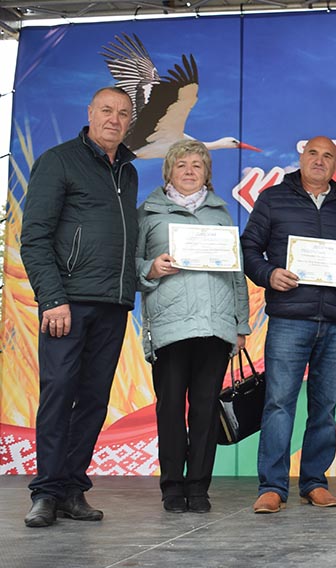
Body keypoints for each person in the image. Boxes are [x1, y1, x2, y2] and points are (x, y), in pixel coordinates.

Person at [20, 87, 139, 528]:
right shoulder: (58, 161)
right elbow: (34, 237)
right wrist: (53, 299)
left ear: (130, 121)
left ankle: (72, 489)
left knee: (93, 400)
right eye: (106, 110)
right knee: (58, 394)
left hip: (113, 304)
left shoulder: (128, 171)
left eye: (123, 113)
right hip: (66, 304)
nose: (114, 119)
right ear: (90, 113)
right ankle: (46, 492)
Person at [241, 136, 336, 513]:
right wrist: (269, 274)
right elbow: (248, 249)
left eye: (328, 156)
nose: (319, 160)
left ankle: (314, 482)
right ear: (301, 158)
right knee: (279, 403)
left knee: (325, 406)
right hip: (288, 319)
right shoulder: (273, 198)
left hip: (335, 321)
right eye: (313, 153)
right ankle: (272, 486)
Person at [136, 140, 251, 513]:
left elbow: (236, 273)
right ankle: (172, 487)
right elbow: (130, 265)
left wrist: (240, 323)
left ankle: (199, 487)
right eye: (181, 164)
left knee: (205, 409)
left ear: (207, 174)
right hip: (170, 327)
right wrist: (151, 268)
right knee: (170, 408)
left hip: (215, 327)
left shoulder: (221, 213)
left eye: (197, 165)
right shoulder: (148, 213)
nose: (189, 171)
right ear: (168, 171)